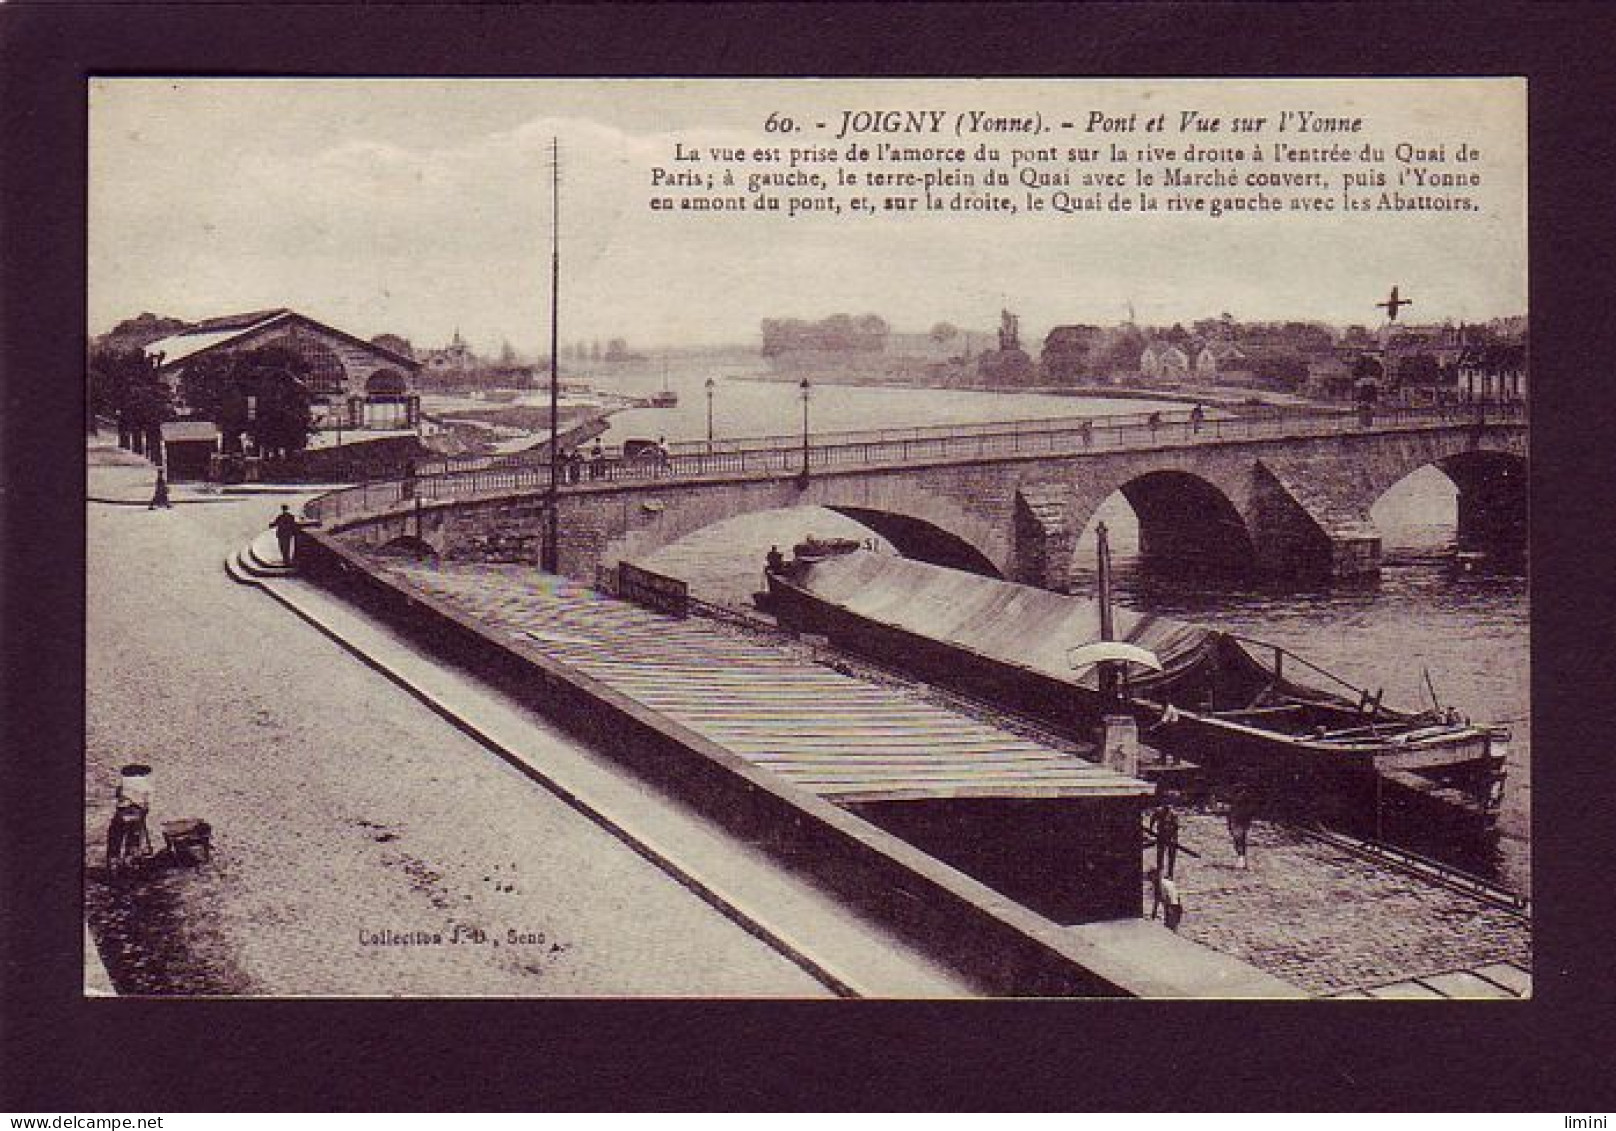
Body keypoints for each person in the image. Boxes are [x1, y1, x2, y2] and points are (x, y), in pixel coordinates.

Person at [106, 764, 154, 873]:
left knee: (115, 837)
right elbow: (147, 805)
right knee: (134, 839)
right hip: (137, 814)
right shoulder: (146, 785)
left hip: (122, 814)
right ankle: (131, 863)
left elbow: (117, 795)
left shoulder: (124, 783)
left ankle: (113, 864)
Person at [1148, 797, 1181, 879]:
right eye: (1165, 807)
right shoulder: (1158, 812)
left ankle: (1170, 873)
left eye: (1168, 808)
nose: (1167, 809)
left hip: (1171, 836)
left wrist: (1173, 839)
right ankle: (1159, 871)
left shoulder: (1174, 814)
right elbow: (1152, 820)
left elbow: (1176, 827)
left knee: (1171, 856)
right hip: (1161, 835)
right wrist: (1151, 830)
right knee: (1160, 855)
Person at [1227, 782, 1257, 870]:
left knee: (1238, 836)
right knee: (1238, 836)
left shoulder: (1243, 796)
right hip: (1238, 813)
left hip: (1240, 814)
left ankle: (1241, 858)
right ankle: (1242, 858)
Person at [1147, 867, 1184, 931]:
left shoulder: (1163, 885)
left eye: (1151, 878)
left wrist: (1170, 912)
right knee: (1169, 928)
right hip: (1172, 907)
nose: (1150, 880)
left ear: (1156, 876)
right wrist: (1153, 915)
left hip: (1174, 907)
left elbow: (1172, 898)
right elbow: (1157, 900)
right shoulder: (1159, 884)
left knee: (1171, 929)